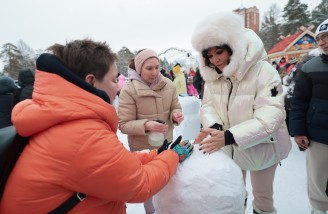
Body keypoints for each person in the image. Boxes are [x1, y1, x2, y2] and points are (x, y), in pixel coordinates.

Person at [0, 39, 192, 214]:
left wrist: (155, 154)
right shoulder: (82, 134)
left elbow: (110, 164)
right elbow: (140, 184)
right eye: (114, 80)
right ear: (91, 81)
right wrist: (173, 155)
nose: (118, 87)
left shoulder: (68, 120)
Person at [191, 12, 291, 214]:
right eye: (209, 55)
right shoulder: (213, 77)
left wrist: (230, 136)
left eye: (219, 52)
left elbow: (271, 116)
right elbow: (208, 106)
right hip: (228, 146)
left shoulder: (264, 71)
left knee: (263, 198)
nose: (215, 60)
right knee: (235, 193)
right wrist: (216, 127)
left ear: (233, 47)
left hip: (262, 147)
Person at [117, 49, 184, 214]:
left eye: (157, 67)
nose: (154, 72)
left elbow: (175, 107)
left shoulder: (168, 84)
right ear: (139, 68)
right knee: (149, 187)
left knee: (169, 183)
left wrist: (175, 115)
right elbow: (124, 124)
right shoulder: (129, 90)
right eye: (149, 68)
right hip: (142, 149)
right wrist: (146, 125)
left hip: (166, 143)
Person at [289, 18, 328, 214]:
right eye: (319, 38)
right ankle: (318, 209)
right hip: (318, 134)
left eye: (327, 36)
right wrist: (298, 131)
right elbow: (299, 101)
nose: (322, 42)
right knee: (318, 178)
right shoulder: (309, 68)